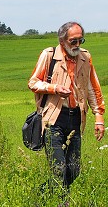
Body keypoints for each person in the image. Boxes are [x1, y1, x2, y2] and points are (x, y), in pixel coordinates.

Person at [28, 21, 105, 194]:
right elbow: (33, 82)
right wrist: (54, 88)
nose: (77, 45)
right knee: (59, 168)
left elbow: (93, 88)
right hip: (53, 118)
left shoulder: (86, 58)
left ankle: (42, 195)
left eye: (81, 41)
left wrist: (99, 117)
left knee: (74, 169)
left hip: (76, 118)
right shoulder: (48, 55)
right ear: (62, 41)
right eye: (73, 41)